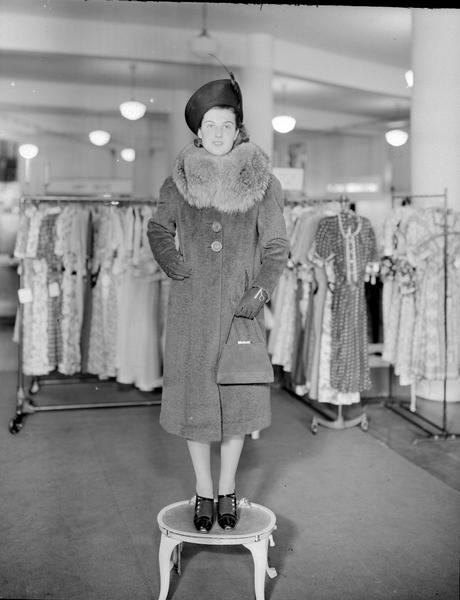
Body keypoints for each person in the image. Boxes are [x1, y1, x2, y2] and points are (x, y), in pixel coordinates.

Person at [147, 72, 289, 533]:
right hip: (190, 312)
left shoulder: (262, 184)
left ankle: (227, 490)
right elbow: (157, 228)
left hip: (239, 314)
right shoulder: (179, 181)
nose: (218, 133)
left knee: (236, 407)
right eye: (210, 124)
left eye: (226, 124)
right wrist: (170, 259)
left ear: (238, 129)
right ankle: (203, 492)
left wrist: (261, 291)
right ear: (198, 131)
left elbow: (276, 248)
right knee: (196, 406)